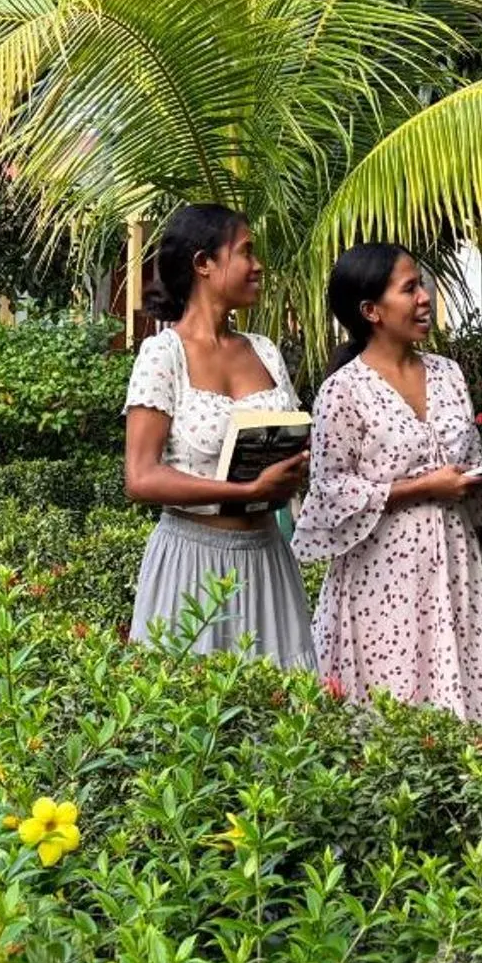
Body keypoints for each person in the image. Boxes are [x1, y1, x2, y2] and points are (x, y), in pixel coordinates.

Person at [293, 242, 482, 722]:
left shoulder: (448, 375)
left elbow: (464, 478)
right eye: (409, 289)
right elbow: (327, 494)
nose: (425, 297)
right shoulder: (342, 392)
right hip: (379, 585)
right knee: (389, 724)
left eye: (421, 284)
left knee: (466, 722)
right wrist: (423, 488)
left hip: (453, 573)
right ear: (372, 311)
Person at [122, 203, 316, 669]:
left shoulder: (266, 352)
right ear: (203, 263)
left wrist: (297, 466)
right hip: (191, 562)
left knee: (283, 721)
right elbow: (140, 478)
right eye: (246, 252)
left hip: (267, 560)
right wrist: (245, 490)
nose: (258, 265)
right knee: (189, 724)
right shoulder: (162, 356)